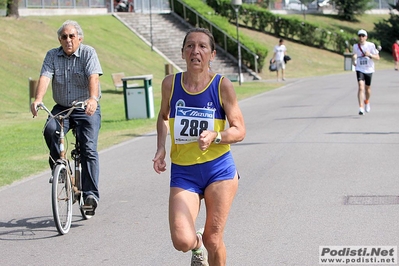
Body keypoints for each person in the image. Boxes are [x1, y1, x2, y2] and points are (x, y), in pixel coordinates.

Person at [152, 28, 246, 266]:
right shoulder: (170, 85)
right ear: (183, 53)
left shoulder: (221, 85)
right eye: (190, 46)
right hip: (184, 172)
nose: (196, 51)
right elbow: (164, 117)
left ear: (212, 54)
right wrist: (161, 148)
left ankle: (206, 244)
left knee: (214, 239)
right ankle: (197, 246)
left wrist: (216, 136)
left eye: (203, 46)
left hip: (219, 170)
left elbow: (239, 130)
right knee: (181, 240)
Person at [30, 20, 103, 215]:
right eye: (64, 37)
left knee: (88, 148)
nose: (68, 40)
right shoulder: (52, 55)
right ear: (59, 40)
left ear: (79, 38)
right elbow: (45, 76)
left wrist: (93, 99)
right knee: (50, 129)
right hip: (62, 107)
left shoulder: (88, 53)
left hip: (85, 106)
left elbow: (93, 77)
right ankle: (60, 170)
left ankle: (90, 195)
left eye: (72, 36)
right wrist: (38, 99)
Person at [352, 29, 380, 115]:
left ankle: (367, 101)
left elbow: (377, 57)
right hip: (359, 68)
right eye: (359, 36)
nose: (361, 37)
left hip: (369, 69)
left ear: (366, 37)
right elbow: (354, 56)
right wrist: (354, 59)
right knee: (361, 87)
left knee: (367, 88)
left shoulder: (371, 45)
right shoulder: (355, 46)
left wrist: (370, 55)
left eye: (363, 36)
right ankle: (361, 107)